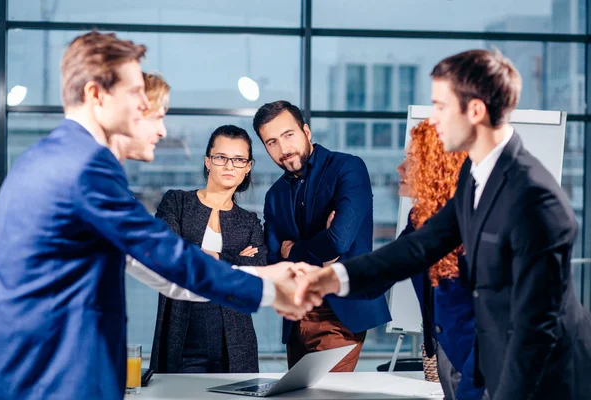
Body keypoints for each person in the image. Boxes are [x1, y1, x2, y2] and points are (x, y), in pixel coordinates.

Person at [0, 32, 314, 400]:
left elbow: (163, 272)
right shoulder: (85, 168)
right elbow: (170, 259)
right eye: (136, 95)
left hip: (28, 375)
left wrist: (262, 275)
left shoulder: (45, 158)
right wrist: (269, 287)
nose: (155, 121)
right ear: (96, 95)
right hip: (56, 380)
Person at [295, 49, 591, 400]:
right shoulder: (473, 176)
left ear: (476, 110)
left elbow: (534, 331)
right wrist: (328, 278)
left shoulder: (535, 200)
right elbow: (415, 249)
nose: (432, 119)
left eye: (441, 107)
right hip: (485, 366)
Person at [253, 100, 391, 372]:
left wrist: (291, 252)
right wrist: (320, 249)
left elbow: (338, 241)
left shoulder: (348, 168)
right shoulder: (274, 195)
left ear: (306, 131)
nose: (283, 149)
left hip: (340, 314)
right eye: (271, 143)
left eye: (288, 135)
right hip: (296, 318)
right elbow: (272, 260)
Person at [149, 125, 265, 374]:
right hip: (182, 336)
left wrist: (217, 257)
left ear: (248, 167)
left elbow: (258, 277)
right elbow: (169, 256)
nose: (229, 166)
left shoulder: (249, 222)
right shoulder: (177, 202)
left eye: (238, 160)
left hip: (235, 342)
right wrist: (236, 261)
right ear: (208, 162)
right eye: (221, 158)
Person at [398, 119, 486, 400]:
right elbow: (385, 267)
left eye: (411, 160)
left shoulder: (477, 222)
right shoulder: (419, 219)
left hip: (482, 355)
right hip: (445, 346)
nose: (400, 169)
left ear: (436, 167)